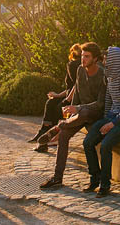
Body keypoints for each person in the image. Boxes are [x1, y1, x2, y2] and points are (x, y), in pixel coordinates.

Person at [40, 42, 107, 190]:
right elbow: (76, 92)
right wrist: (69, 111)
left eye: (87, 57)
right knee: (64, 136)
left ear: (95, 59)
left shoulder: (103, 74)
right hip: (79, 115)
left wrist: (77, 108)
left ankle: (58, 127)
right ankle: (57, 178)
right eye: (82, 56)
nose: (83, 59)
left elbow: (101, 103)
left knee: (82, 113)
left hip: (94, 113)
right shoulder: (80, 70)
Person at [82, 46, 120, 198]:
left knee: (106, 146)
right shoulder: (109, 77)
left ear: (115, 60)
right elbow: (108, 99)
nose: (105, 61)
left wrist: (112, 123)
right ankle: (95, 179)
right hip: (111, 116)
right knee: (88, 142)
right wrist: (105, 119)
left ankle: (105, 185)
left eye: (107, 58)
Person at [30, 44, 82, 149]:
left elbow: (77, 85)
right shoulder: (73, 65)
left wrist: (67, 100)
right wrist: (58, 95)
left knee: (59, 108)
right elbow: (70, 87)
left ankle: (47, 137)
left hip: (77, 98)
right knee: (51, 102)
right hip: (70, 94)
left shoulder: (75, 66)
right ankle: (44, 130)